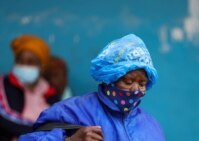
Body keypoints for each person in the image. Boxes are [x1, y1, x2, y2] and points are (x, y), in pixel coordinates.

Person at [19, 34, 165, 141]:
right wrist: (70, 140)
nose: (135, 89)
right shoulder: (72, 111)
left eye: (142, 83)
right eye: (128, 81)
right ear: (110, 79)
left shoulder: (150, 125)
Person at [0, 34, 61, 141]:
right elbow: (4, 119)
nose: (24, 66)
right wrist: (40, 130)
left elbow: (58, 122)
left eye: (30, 62)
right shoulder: (3, 84)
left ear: (41, 67)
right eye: (21, 61)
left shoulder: (50, 92)